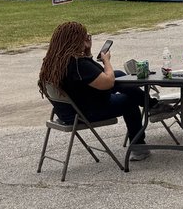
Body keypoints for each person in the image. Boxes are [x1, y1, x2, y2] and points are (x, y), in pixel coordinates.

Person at [38, 21, 149, 159]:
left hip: (67, 112)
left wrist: (87, 53)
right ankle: (139, 146)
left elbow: (94, 74)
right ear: (77, 40)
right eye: (85, 37)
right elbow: (107, 82)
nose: (87, 39)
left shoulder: (54, 62)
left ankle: (151, 104)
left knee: (119, 75)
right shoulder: (79, 65)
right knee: (130, 101)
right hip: (86, 112)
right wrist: (106, 60)